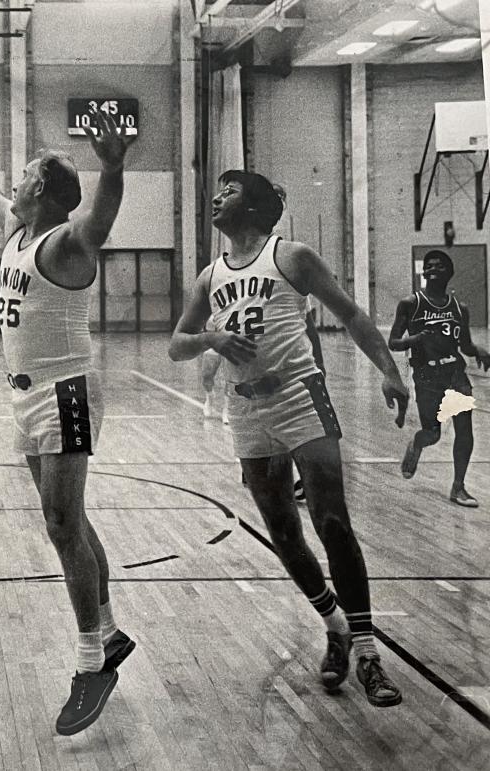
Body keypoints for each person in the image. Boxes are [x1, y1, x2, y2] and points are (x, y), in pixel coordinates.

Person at [0, 89, 134, 735]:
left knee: (61, 526)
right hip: (26, 393)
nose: (12, 182)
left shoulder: (65, 243)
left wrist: (112, 168)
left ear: (43, 191)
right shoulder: (15, 231)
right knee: (71, 522)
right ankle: (112, 629)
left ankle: (92, 660)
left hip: (64, 388)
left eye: (25, 178)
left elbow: (100, 220)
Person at [169, 170, 410, 709]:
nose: (216, 198)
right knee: (282, 530)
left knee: (331, 520)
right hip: (247, 408)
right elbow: (177, 345)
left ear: (253, 206)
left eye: (228, 192)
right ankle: (333, 623)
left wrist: (390, 372)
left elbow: (349, 313)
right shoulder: (209, 277)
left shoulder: (290, 256)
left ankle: (369, 651)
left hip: (301, 394)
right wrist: (210, 336)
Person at [390, 248, 490, 506]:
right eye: (429, 265)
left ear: (450, 274)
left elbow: (465, 345)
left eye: (439, 266)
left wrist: (479, 351)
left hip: (455, 373)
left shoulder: (460, 308)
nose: (433, 269)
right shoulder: (410, 303)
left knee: (464, 430)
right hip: (426, 375)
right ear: (423, 272)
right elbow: (393, 342)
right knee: (432, 433)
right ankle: (417, 443)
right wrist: (415, 339)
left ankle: (459, 487)